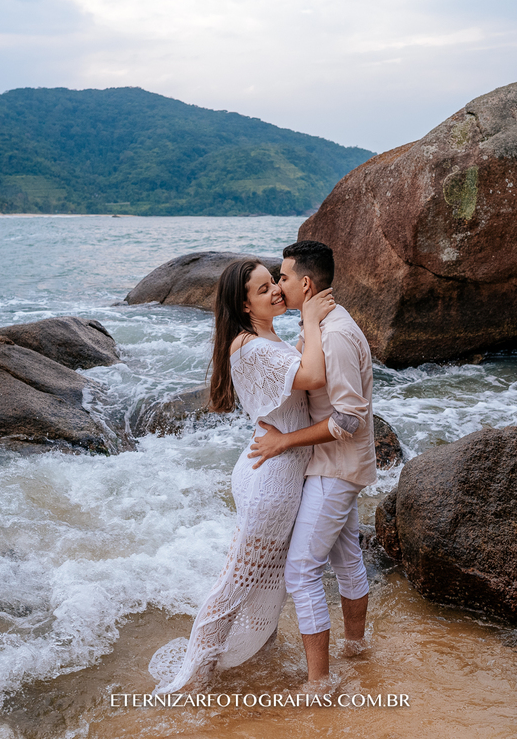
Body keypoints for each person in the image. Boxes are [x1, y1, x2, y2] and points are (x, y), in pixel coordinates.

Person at [149, 257, 336, 693]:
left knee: (268, 582)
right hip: (269, 480)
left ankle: (257, 660)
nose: (275, 291)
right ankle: (191, 681)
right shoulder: (249, 346)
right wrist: (310, 318)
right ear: (245, 305)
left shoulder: (265, 339)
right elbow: (311, 376)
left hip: (275, 472)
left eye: (274, 281)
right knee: (237, 582)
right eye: (261, 289)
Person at [247, 239, 377, 688]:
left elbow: (347, 419)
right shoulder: (322, 323)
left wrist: (284, 442)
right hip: (335, 463)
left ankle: (319, 681)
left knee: (301, 570)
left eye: (282, 278)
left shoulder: (335, 335)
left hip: (334, 465)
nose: (278, 286)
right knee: (347, 559)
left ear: (305, 282)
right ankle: (357, 649)